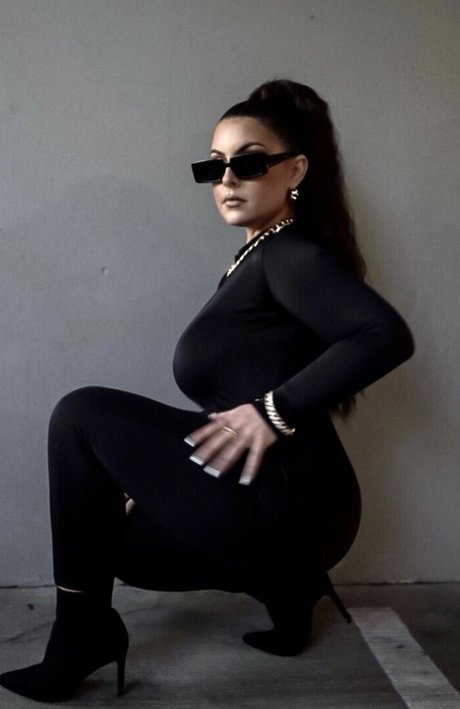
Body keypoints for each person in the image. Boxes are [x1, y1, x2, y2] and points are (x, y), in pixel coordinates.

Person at [0, 79, 414, 703]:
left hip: (294, 504)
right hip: (296, 504)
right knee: (120, 543)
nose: (227, 180)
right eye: (214, 166)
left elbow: (384, 335)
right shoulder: (256, 260)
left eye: (249, 163)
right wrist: (153, 472)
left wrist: (273, 413)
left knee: (80, 413)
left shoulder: (289, 255)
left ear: (295, 169)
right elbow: (235, 398)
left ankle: (79, 636)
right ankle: (290, 593)